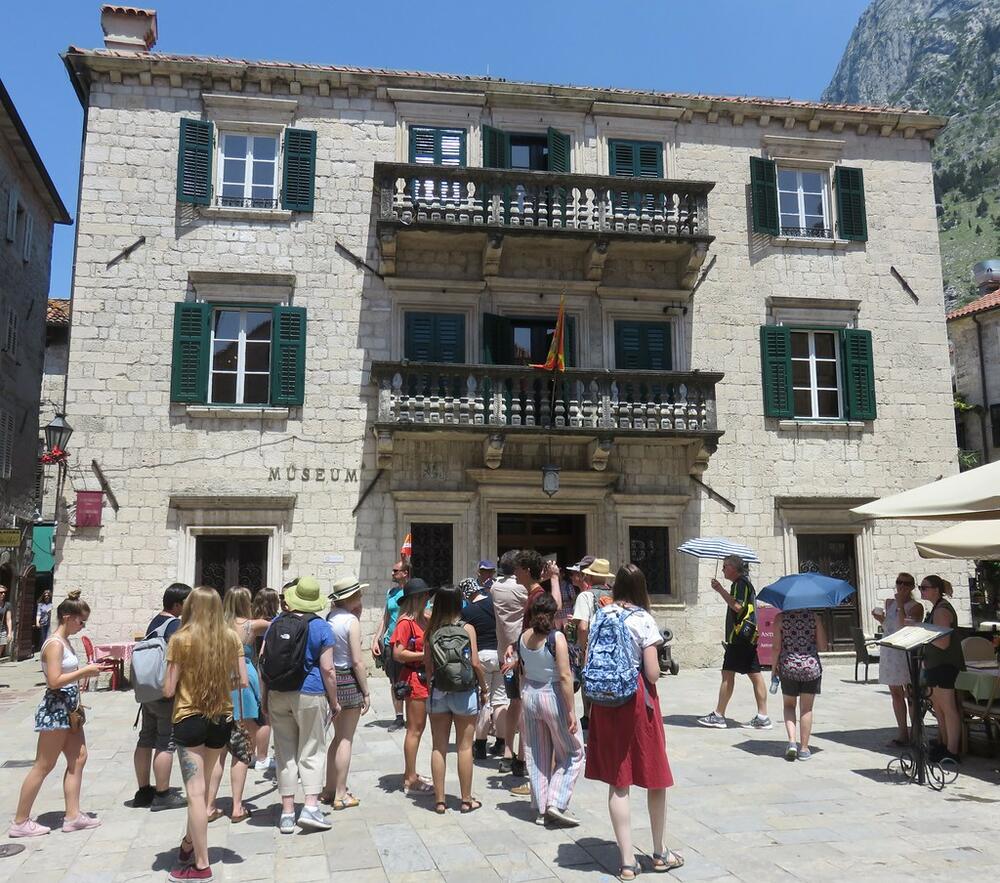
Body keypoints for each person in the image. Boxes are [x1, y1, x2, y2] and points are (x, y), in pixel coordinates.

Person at [585, 564, 681, 879]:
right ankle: (659, 852)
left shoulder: (601, 614)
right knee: (654, 775)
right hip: (636, 701)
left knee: (619, 781)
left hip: (603, 700)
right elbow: (652, 673)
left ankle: (626, 862)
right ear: (642, 588)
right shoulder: (642, 618)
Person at [163, 586, 245, 882]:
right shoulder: (231, 638)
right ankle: (188, 845)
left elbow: (169, 689)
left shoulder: (180, 639)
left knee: (195, 794)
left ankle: (200, 864)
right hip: (220, 718)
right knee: (204, 791)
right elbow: (242, 681)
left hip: (189, 718)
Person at [9, 590, 106, 838]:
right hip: (56, 709)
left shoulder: (64, 642)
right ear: (66, 617)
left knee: (78, 757)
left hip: (69, 708)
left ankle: (73, 816)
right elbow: (54, 681)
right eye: (80, 621)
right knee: (44, 764)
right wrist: (84, 671)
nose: (82, 626)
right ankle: (20, 821)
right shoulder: (54, 644)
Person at [261, 575, 339, 833]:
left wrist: (265, 697)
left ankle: (286, 813)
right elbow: (328, 669)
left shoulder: (275, 623)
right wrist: (335, 701)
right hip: (310, 693)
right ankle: (311, 807)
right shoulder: (321, 627)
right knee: (312, 749)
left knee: (284, 752)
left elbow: (264, 663)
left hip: (278, 693)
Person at [517, 592, 584, 827]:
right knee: (573, 752)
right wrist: (571, 711)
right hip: (552, 695)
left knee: (537, 754)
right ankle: (556, 801)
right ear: (554, 614)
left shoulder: (523, 637)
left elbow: (522, 673)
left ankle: (541, 808)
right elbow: (565, 676)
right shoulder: (556, 638)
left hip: (529, 696)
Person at [205, 586, 271, 823]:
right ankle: (236, 806)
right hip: (243, 681)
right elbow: (276, 625)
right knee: (242, 750)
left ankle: (209, 806)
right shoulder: (251, 626)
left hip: (220, 683)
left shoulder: (216, 628)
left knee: (217, 753)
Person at [424, 584, 488, 813]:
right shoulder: (467, 628)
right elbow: (475, 663)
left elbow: (428, 665)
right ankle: (466, 799)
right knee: (464, 747)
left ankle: (439, 801)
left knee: (438, 747)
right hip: (464, 692)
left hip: (438, 692)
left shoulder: (431, 630)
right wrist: (484, 688)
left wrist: (434, 685)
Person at [133, 582, 192, 810]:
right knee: (166, 741)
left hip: (147, 691)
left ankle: (143, 790)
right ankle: (163, 793)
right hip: (165, 691)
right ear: (178, 604)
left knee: (146, 737)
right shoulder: (175, 625)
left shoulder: (155, 622)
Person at [697, 555, 771, 729]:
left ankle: (718, 715)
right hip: (746, 638)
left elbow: (737, 606)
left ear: (734, 567)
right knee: (755, 674)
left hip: (739, 638)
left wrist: (720, 590)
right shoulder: (745, 583)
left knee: (728, 674)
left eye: (725, 566)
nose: (722, 569)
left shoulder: (739, 584)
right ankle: (763, 716)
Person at [321, 575, 371, 809]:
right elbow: (357, 661)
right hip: (348, 680)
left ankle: (329, 788)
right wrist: (366, 691)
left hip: (331, 681)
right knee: (346, 739)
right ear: (352, 598)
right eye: (359, 594)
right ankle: (341, 792)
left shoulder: (330, 618)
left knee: (336, 738)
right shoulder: (351, 622)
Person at [391, 577, 434, 794]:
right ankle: (409, 778)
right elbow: (398, 653)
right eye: (425, 595)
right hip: (415, 678)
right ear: (417, 598)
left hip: (425, 677)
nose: (428, 598)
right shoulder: (405, 622)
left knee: (419, 728)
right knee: (414, 729)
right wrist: (424, 655)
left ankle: (412, 772)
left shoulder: (424, 618)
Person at [873, 573, 923, 745]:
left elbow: (903, 627)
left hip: (906, 651)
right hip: (890, 650)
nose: (901, 586)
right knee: (895, 693)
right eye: (899, 582)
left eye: (906, 583)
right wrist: (881, 618)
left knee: (910, 692)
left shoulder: (916, 607)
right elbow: (889, 626)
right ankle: (902, 732)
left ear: (912, 587)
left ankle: (916, 732)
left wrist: (901, 604)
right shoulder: (889, 603)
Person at [919, 575, 963, 763]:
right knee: (938, 707)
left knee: (948, 708)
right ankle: (943, 743)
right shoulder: (936, 608)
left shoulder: (942, 610)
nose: (921, 591)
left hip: (944, 665)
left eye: (925, 587)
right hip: (935, 664)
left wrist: (921, 632)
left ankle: (952, 750)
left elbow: (944, 642)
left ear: (936, 590)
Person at [492, 550, 528, 777]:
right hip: (522, 653)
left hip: (503, 654)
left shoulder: (495, 588)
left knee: (514, 701)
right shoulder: (521, 589)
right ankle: (522, 757)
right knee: (524, 704)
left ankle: (507, 754)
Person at [465, 576, 507, 760]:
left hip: (481, 656)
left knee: (485, 701)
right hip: (499, 655)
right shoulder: (494, 604)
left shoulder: (467, 612)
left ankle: (480, 745)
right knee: (500, 701)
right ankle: (500, 743)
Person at [772, 608, 822, 761]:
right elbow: (823, 645)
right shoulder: (815, 617)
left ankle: (792, 742)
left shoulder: (780, 618)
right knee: (806, 709)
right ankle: (805, 749)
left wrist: (774, 667)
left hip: (789, 667)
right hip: (810, 668)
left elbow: (776, 647)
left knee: (789, 706)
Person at [373, 559, 411, 731]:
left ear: (405, 573)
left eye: (396, 571)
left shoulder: (415, 592)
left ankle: (413, 715)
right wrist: (376, 638)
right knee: (394, 680)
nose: (392, 573)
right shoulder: (391, 592)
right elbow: (385, 617)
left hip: (409, 644)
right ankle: (398, 717)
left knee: (411, 679)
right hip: (391, 642)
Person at [571, 556, 607, 730]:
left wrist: (580, 647)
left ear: (589, 577)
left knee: (589, 684)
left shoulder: (586, 596)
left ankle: (590, 717)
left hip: (593, 649)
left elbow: (583, 627)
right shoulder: (617, 595)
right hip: (614, 650)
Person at [250, 587, 280, 769]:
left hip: (248, 669)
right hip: (264, 671)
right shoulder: (275, 623)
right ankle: (262, 757)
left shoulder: (248, 622)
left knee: (248, 717)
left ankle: (249, 754)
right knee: (264, 716)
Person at [0, 584, 11, 659]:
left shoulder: (7, 605)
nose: (3, 594)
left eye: (4, 593)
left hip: (2, 629)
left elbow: (9, 619)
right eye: (1, 592)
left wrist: (9, 633)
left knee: (2, 644)